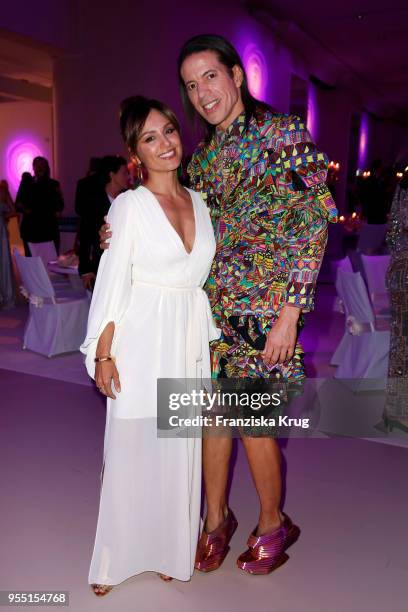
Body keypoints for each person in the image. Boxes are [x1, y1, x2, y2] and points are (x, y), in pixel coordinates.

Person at [100, 34, 337, 576]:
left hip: (267, 313)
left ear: (236, 75)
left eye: (210, 75)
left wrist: (289, 315)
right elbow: (171, 215)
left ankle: (274, 522)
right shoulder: (201, 159)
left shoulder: (283, 134)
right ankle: (216, 519)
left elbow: (312, 223)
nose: (202, 91)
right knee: (210, 420)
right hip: (209, 315)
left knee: (252, 423)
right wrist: (116, 230)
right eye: (190, 84)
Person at [80, 96, 219, 595]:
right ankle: (113, 561)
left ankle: (170, 549)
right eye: (150, 138)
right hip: (141, 337)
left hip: (186, 339)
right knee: (132, 448)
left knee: (178, 450)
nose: (166, 144)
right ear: (135, 151)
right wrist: (102, 351)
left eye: (169, 131)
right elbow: (113, 284)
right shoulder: (129, 206)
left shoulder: (202, 203)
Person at [77, 156, 129, 290]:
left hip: (125, 265)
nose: (128, 176)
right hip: (101, 265)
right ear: (112, 175)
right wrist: (86, 270)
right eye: (124, 173)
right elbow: (85, 236)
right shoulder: (94, 202)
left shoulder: (128, 200)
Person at [384, 170, 408, 433]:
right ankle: (399, 411)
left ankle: (394, 409)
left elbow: (391, 234)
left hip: (399, 270)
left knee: (400, 342)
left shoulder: (403, 185)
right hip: (405, 273)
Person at [16, 157, 64, 255]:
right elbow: (18, 203)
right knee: (32, 262)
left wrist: (58, 210)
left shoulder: (53, 184)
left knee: (50, 261)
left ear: (46, 167)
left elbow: (60, 205)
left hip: (48, 230)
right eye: (37, 166)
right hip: (31, 230)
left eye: (42, 165)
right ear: (33, 167)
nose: (40, 168)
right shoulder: (27, 183)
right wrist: (26, 210)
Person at [0, 180, 16, 309]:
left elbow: (13, 210)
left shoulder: (2, 190)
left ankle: (7, 297)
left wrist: (4, 216)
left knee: (3, 263)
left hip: (0, 231)